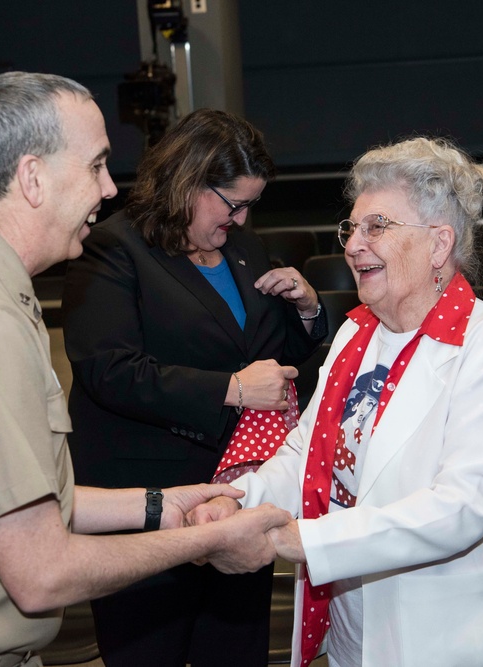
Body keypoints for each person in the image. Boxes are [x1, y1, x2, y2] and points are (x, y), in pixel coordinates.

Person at [0, 72, 291, 667]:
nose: (109, 190)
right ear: (32, 178)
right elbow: (41, 573)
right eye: (94, 165)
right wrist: (208, 539)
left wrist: (160, 504)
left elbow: (23, 495)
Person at [191, 136, 483, 666]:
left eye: (376, 227)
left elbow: (462, 506)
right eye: (351, 228)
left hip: (451, 631)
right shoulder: (357, 335)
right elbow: (306, 453)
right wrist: (238, 499)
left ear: (439, 244)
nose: (353, 245)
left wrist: (301, 540)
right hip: (356, 625)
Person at [61, 108, 328, 666]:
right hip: (143, 500)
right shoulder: (112, 250)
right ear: (187, 180)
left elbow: (269, 359)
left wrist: (306, 311)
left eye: (251, 204)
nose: (242, 217)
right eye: (232, 203)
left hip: (232, 493)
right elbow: (107, 370)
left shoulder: (242, 247)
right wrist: (230, 389)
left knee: (235, 651)